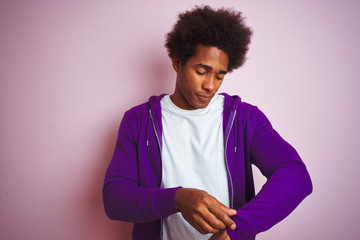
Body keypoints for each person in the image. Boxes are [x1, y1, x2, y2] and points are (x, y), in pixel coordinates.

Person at [102, 5, 312, 240]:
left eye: (219, 75)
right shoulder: (139, 120)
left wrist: (238, 229)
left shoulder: (244, 118)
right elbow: (114, 198)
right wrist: (177, 199)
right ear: (177, 63)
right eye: (202, 71)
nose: (210, 85)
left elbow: (295, 175)